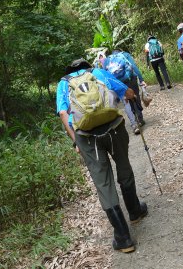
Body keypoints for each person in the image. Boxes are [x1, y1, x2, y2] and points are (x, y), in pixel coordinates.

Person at [56, 58, 148, 253]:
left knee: (103, 183)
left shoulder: (63, 83)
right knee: (124, 167)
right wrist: (131, 97)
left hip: (86, 137)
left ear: (69, 69)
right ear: (86, 67)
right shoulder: (98, 73)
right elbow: (127, 92)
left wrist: (76, 141)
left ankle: (124, 238)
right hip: (114, 128)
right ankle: (134, 211)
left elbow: (64, 113)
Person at [102, 49, 147, 133]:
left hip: (118, 83)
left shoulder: (107, 60)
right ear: (120, 51)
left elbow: (105, 75)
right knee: (135, 96)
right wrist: (141, 80)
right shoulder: (125, 55)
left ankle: (134, 124)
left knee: (126, 102)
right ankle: (140, 119)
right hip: (130, 80)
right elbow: (133, 66)